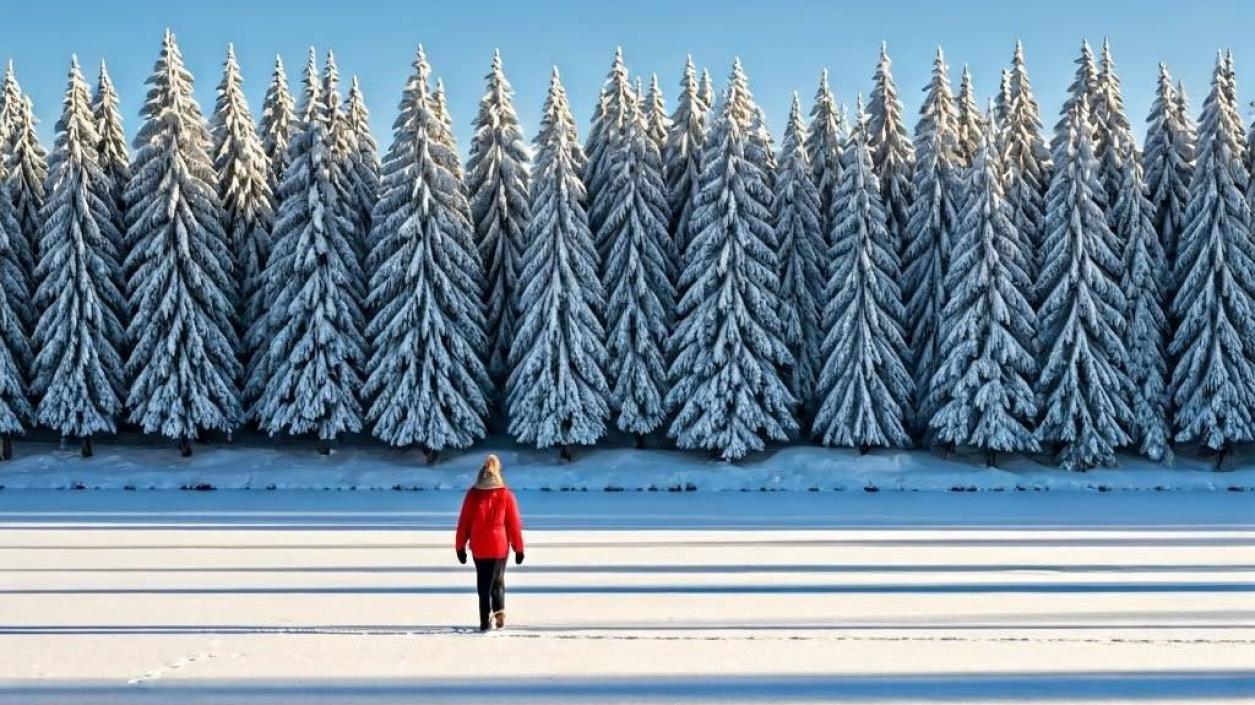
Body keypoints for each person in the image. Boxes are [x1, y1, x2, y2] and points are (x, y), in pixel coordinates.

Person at [454, 454, 525, 631]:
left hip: (479, 546)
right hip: (500, 546)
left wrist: (460, 546)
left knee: (483, 583)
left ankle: (485, 619)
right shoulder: (506, 494)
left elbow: (464, 522)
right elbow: (513, 523)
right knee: (498, 581)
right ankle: (499, 612)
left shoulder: (473, 494)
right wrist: (519, 548)